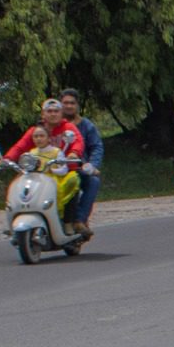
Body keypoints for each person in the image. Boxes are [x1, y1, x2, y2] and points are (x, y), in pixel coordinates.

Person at [1, 100, 86, 210]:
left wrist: (74, 153)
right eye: (49, 111)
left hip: (65, 170)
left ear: (61, 113)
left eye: (56, 111)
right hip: (37, 171)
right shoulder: (36, 131)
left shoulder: (68, 127)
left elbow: (78, 141)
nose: (53, 114)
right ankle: (16, 210)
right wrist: (7, 158)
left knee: (74, 182)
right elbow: (20, 146)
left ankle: (72, 221)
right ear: (43, 114)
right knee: (17, 184)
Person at [58, 89, 102, 241]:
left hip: (77, 168)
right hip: (52, 169)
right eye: (65, 103)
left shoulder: (86, 125)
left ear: (77, 105)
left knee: (93, 181)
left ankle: (79, 220)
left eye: (72, 103)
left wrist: (92, 165)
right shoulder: (52, 124)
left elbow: (96, 146)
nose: (69, 106)